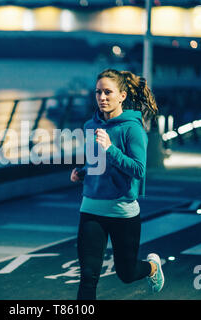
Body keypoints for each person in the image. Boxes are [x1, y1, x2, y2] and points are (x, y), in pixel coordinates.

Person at [70, 69, 164, 300]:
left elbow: (139, 170)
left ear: (122, 95)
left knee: (127, 273)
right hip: (91, 207)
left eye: (107, 92)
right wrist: (82, 173)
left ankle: (152, 267)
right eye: (98, 92)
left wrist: (110, 149)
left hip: (122, 211)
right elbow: (96, 163)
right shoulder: (90, 126)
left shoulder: (132, 128)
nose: (102, 97)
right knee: (88, 277)